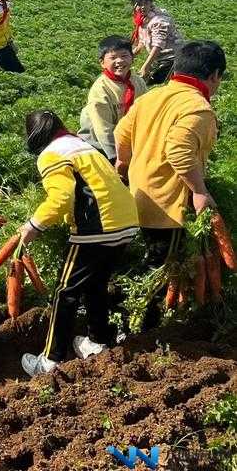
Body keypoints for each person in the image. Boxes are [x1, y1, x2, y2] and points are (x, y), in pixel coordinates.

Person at [18, 111, 139, 377]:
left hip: (97, 227)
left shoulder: (51, 153)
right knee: (95, 285)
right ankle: (98, 341)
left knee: (65, 291)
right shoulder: (86, 147)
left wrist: (33, 225)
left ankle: (51, 360)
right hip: (127, 222)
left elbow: (61, 197)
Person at [115, 40, 225, 331]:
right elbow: (178, 151)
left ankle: (136, 319)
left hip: (138, 194)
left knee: (152, 259)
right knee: (158, 268)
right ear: (214, 76)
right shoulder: (198, 108)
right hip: (165, 203)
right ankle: (137, 328)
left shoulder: (150, 97)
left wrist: (124, 167)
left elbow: (121, 135)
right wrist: (200, 191)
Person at [78, 36, 147, 161]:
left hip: (127, 141)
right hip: (100, 146)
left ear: (132, 58)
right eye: (113, 57)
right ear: (102, 62)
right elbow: (103, 130)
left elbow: (146, 114)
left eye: (124, 56)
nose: (119, 61)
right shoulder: (101, 89)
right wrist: (117, 158)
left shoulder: (138, 82)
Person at [130, 0, 183, 85]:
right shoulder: (142, 19)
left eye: (146, 3)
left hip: (172, 59)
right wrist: (127, 57)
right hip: (161, 60)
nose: (142, 7)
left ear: (151, 3)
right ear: (134, 6)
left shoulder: (158, 21)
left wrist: (145, 67)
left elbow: (157, 46)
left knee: (150, 86)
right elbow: (142, 42)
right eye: (139, 4)